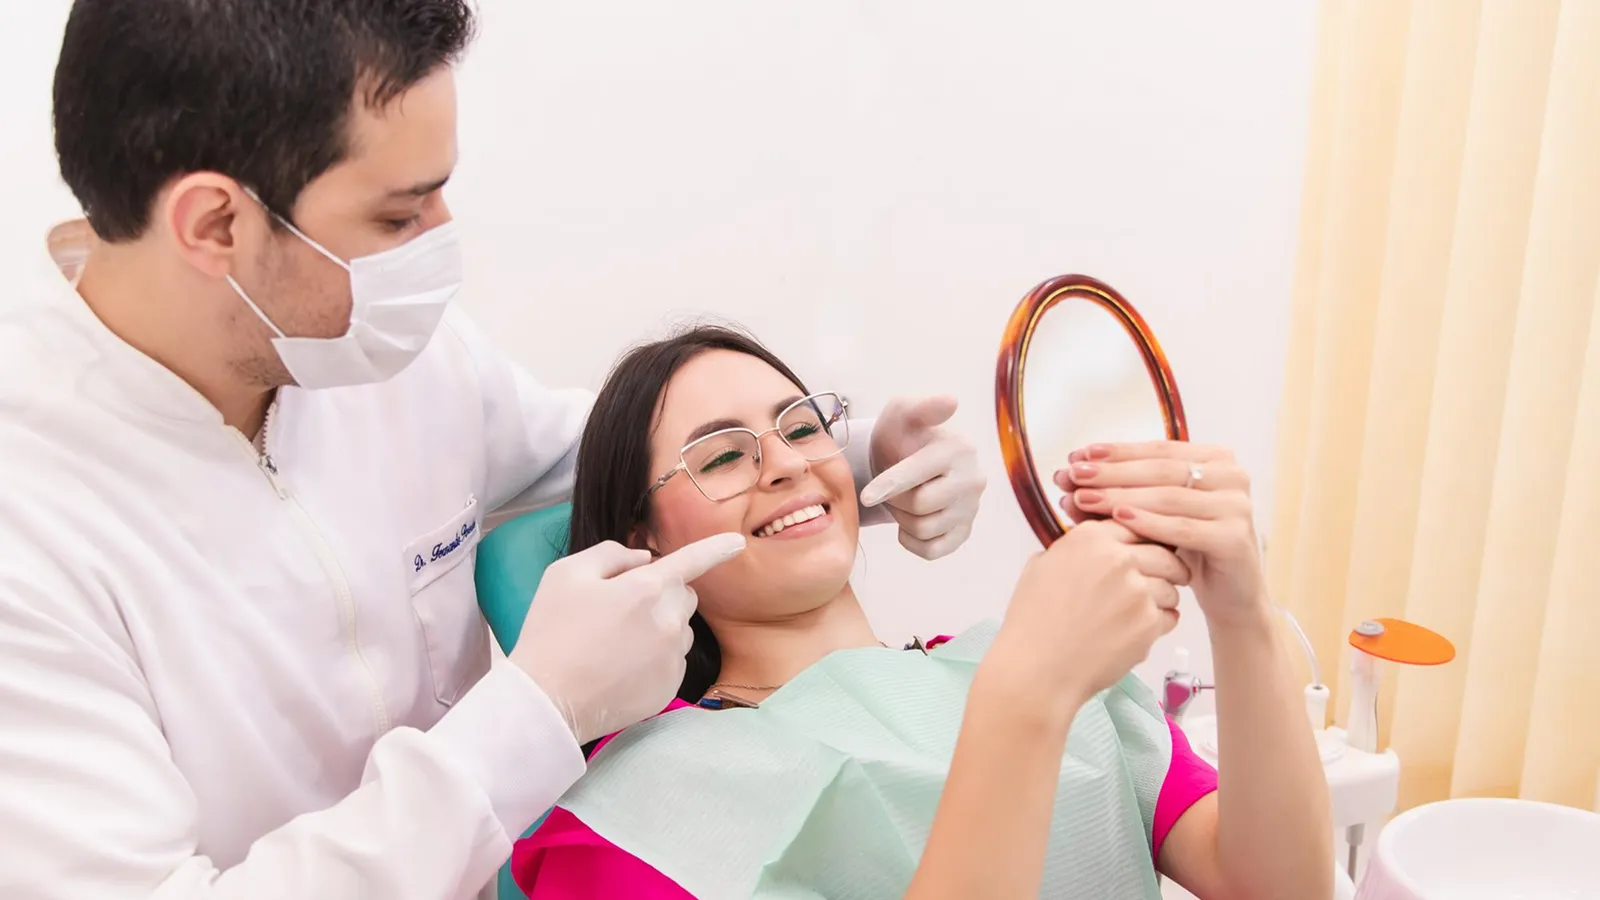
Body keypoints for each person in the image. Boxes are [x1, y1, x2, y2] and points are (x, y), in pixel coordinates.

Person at [0, 3, 990, 898]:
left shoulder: (371, 351)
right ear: (215, 222)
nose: (441, 239)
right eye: (399, 214)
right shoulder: (32, 533)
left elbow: (615, 453)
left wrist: (864, 457)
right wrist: (537, 710)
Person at [509, 326, 1334, 900]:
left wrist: (1243, 614)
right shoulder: (636, 812)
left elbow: (1279, 889)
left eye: (804, 427)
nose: (788, 465)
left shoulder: (1013, 659)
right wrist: (1028, 699)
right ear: (642, 540)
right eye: (723, 456)